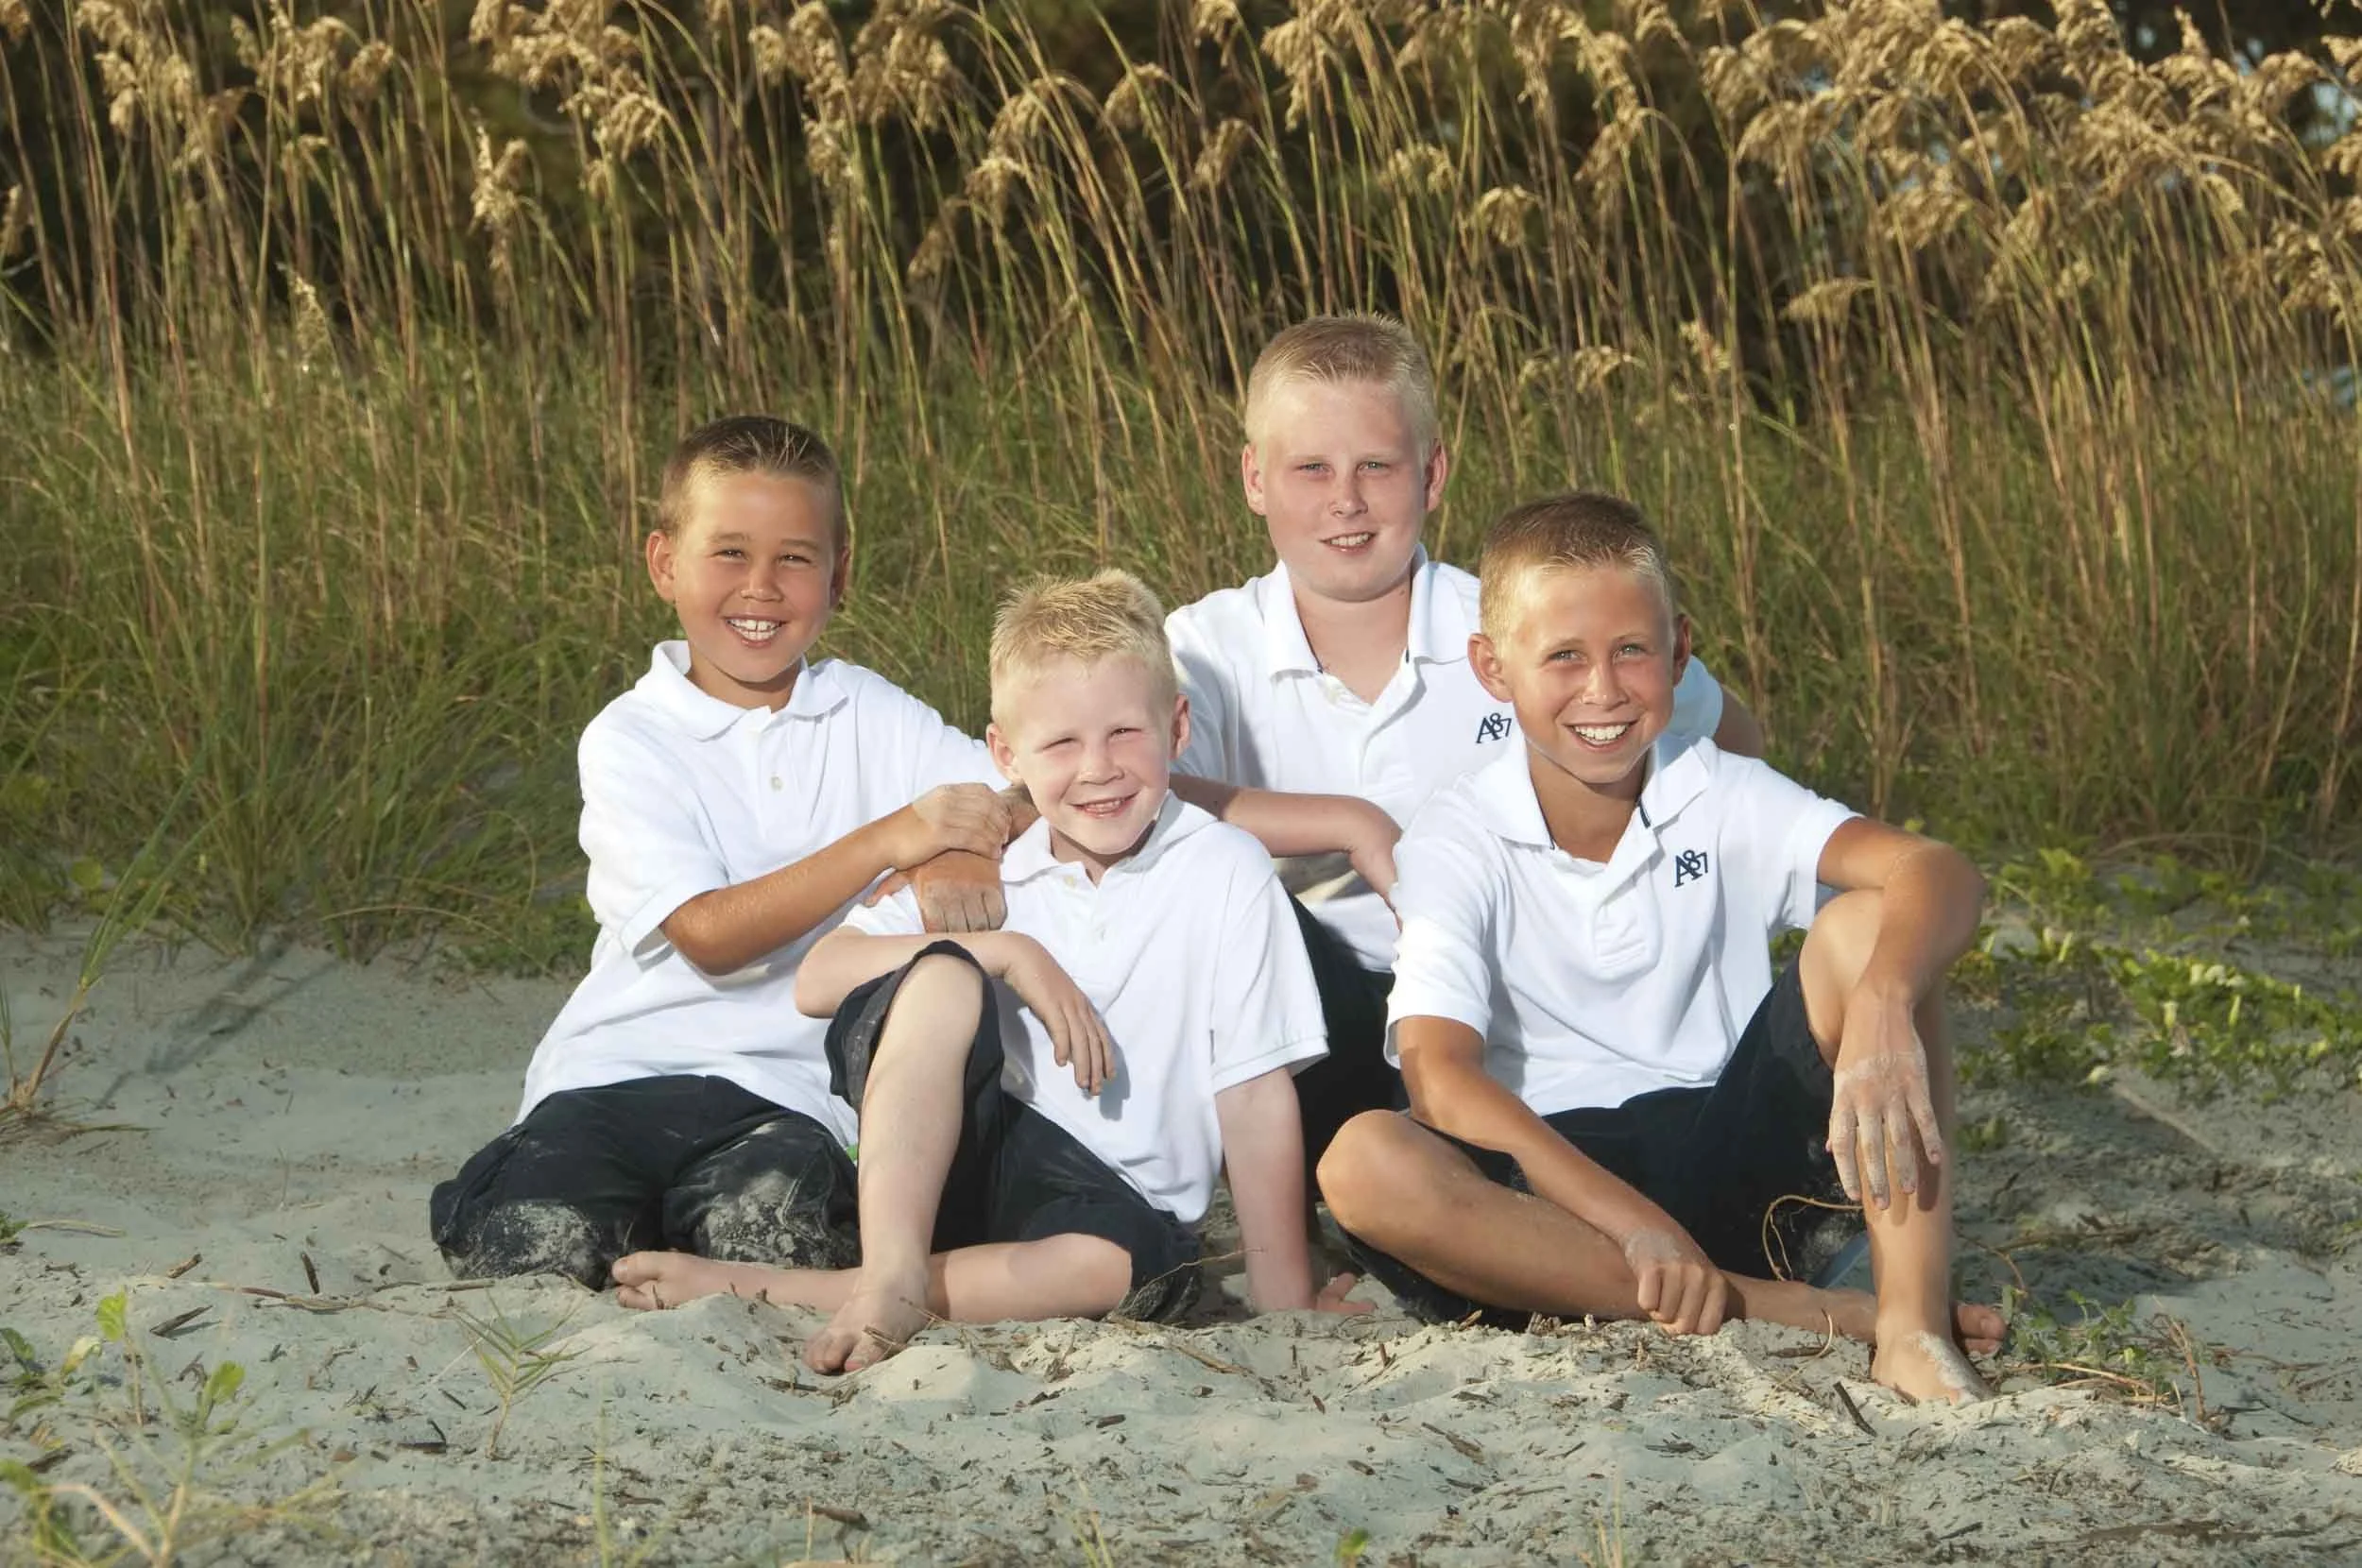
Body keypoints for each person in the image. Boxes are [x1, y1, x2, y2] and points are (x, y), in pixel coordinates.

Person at [1314, 491, 2005, 1405]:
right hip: (1560, 1207)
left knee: (1878, 927)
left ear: (1679, 652)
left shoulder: (1721, 791)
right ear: (1492, 668)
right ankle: (1796, 1310)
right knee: (1362, 1160)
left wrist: (1882, 1005)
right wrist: (1633, 1224)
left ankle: (1910, 1327)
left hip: (1730, 1155)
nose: (1601, 691)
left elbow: (1937, 869)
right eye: (1562, 657)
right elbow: (1440, 1076)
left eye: (1630, 651)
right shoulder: (1455, 835)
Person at [611, 571, 1353, 1372]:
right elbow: (818, 978)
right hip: (959, 1164)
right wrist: (1003, 950)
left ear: (1177, 727)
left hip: (1117, 1215)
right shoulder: (987, 872)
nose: (1097, 769)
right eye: (1061, 744)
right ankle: (893, 1275)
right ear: (1006, 753)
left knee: (1124, 1267)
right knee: (942, 974)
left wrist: (1286, 1302)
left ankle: (781, 1286)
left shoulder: (1225, 870)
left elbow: (1251, 1095)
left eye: (1124, 734)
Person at [1162, 314, 1767, 1175]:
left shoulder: (1523, 625)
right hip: (1313, 1024)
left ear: (1433, 473)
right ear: (1255, 478)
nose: (1346, 500)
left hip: (1503, 1007)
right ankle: (1287, 1200)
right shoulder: (1203, 649)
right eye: (1311, 470)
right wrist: (1347, 821)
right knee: (1218, 886)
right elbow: (1116, 793)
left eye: (1376, 465)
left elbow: (1731, 737)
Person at [430, 415, 1013, 1287]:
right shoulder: (632, 736)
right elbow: (707, 932)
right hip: (613, 1075)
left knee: (775, 1231)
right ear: (665, 564)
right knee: (530, 1242)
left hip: (783, 1094)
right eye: (730, 554)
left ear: (839, 574)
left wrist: (968, 850)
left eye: (796, 559)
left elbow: (1034, 788)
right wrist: (896, 838)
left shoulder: (870, 713)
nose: (762, 589)